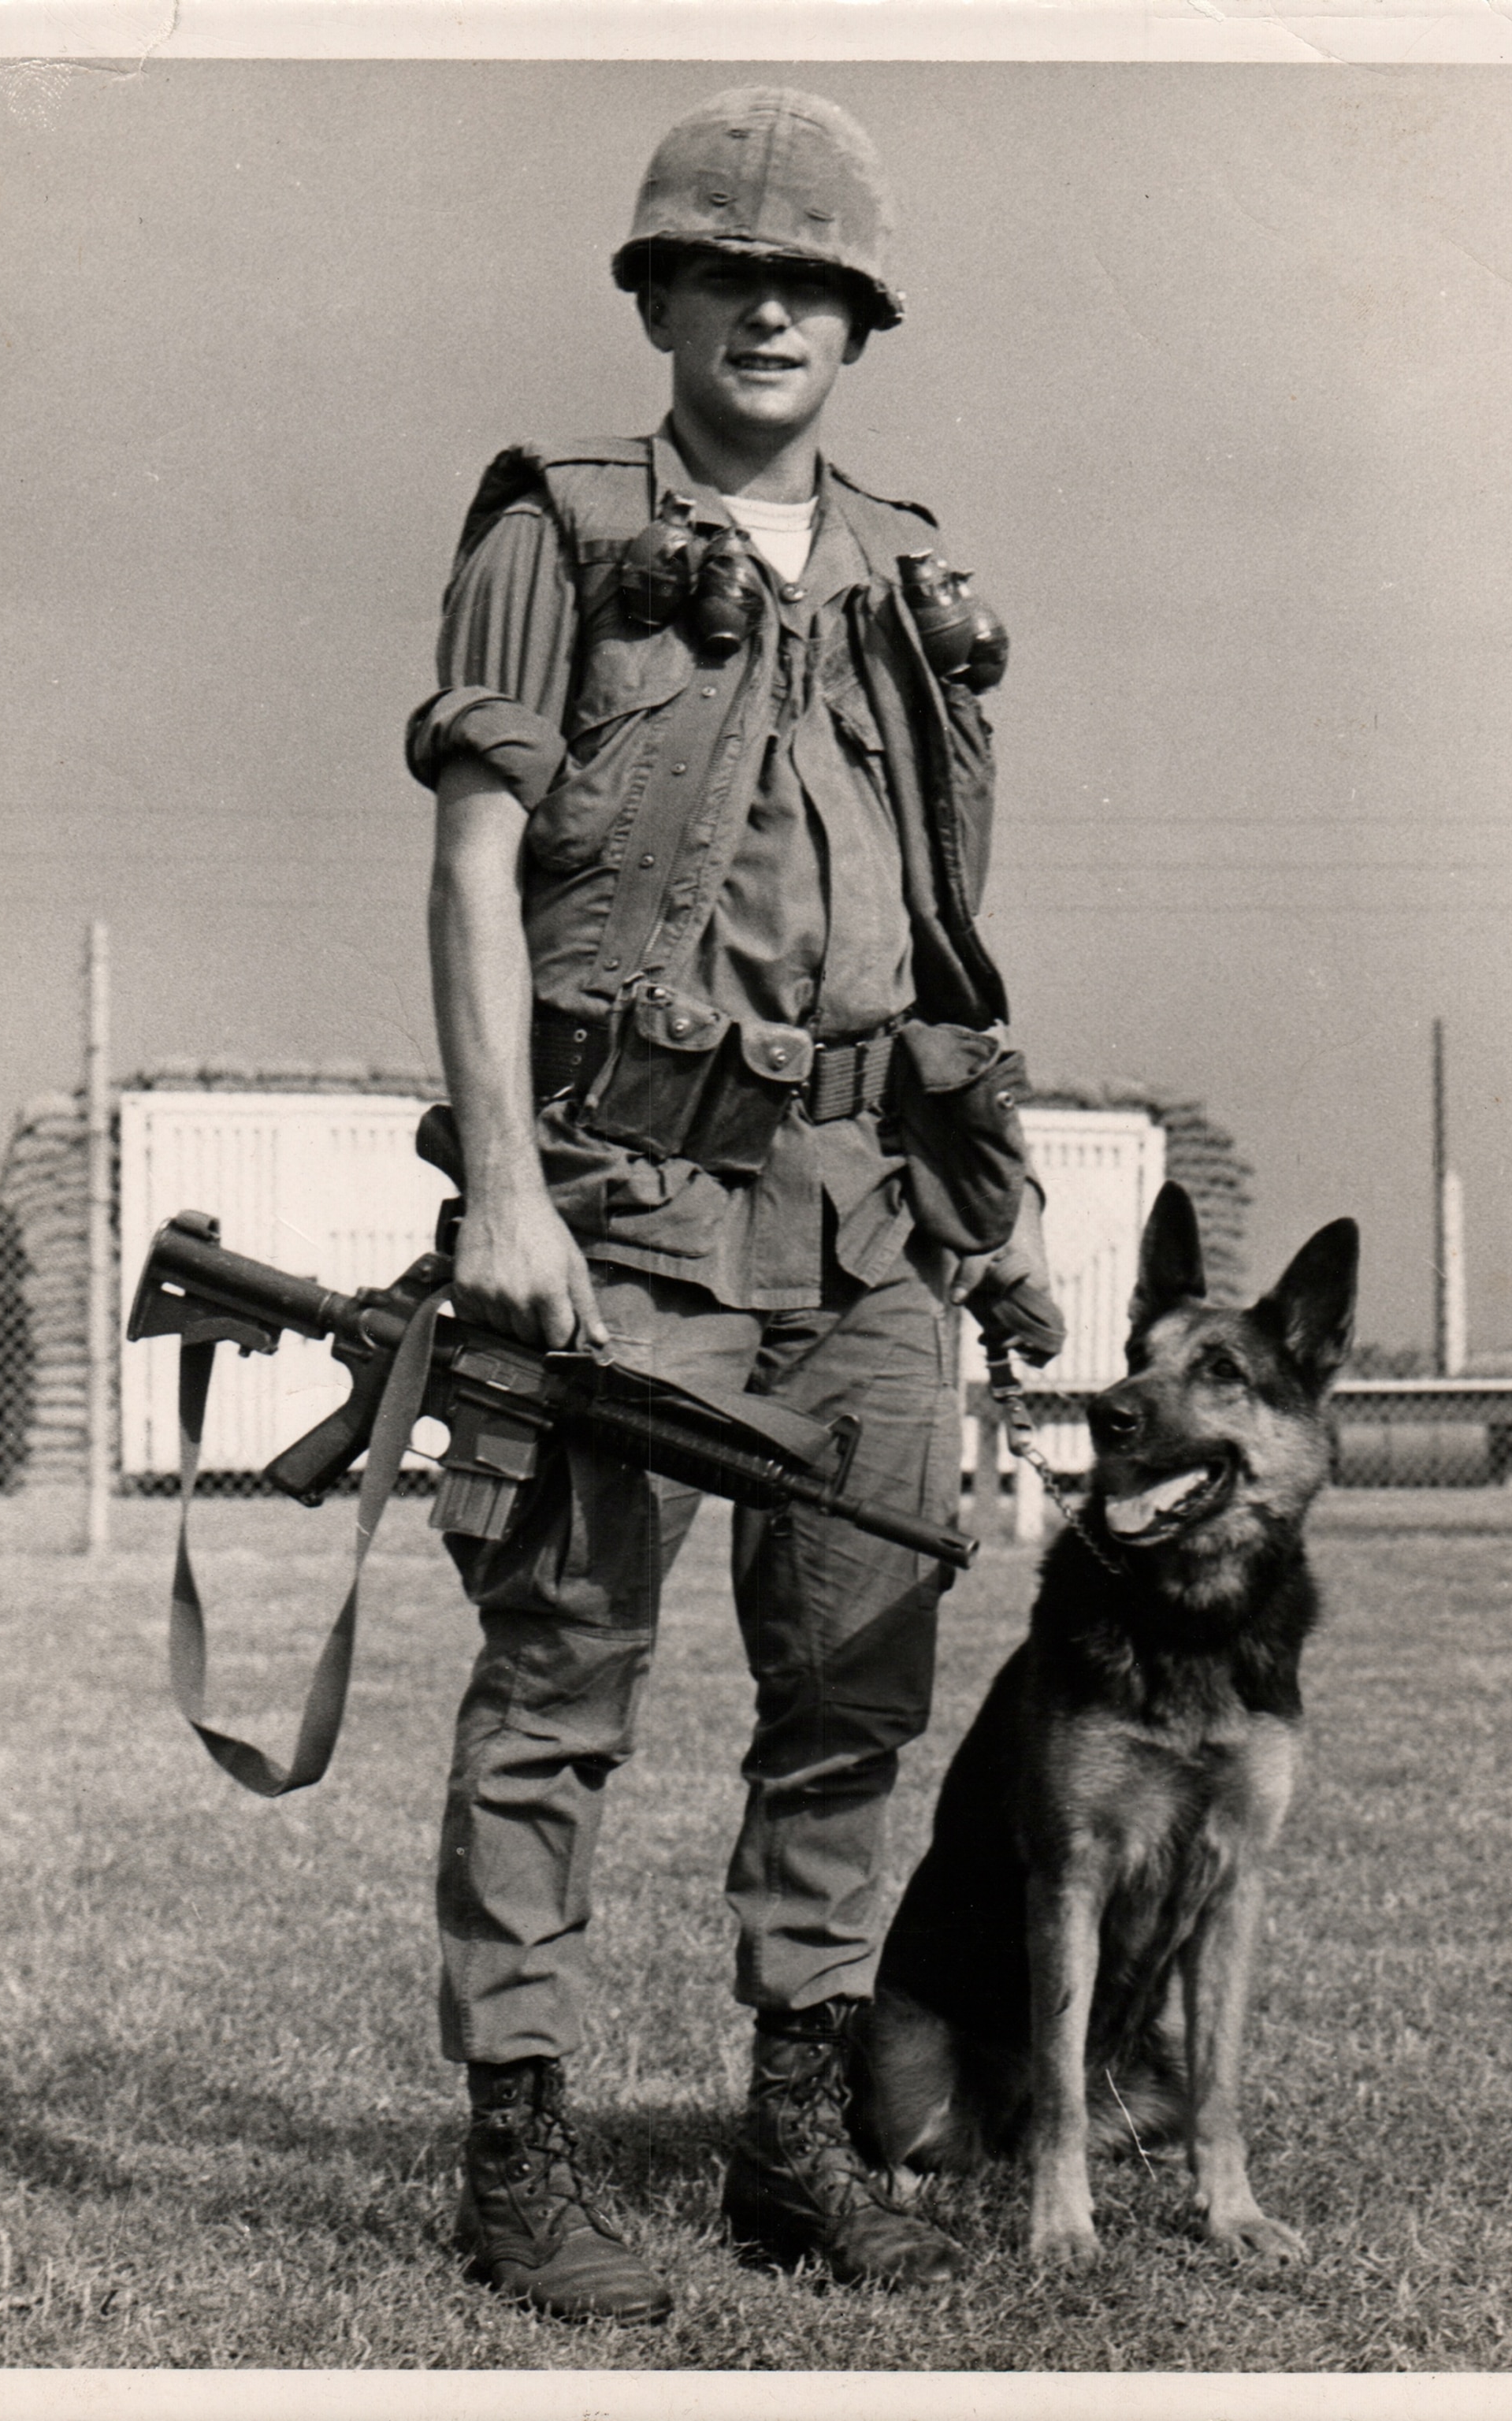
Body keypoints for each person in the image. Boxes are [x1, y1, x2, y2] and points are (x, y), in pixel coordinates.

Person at [409, 85, 1060, 2326]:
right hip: (624, 1198)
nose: (768, 304)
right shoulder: (558, 526)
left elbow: (945, 939)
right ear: (662, 297)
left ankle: (794, 2135)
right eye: (726, 269)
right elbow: (476, 866)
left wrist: (998, 1203)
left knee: (851, 1686)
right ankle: (518, 2160)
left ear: (858, 319)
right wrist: (507, 1184)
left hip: (870, 1221)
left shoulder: (912, 571)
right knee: (558, 1678)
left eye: (811, 280)